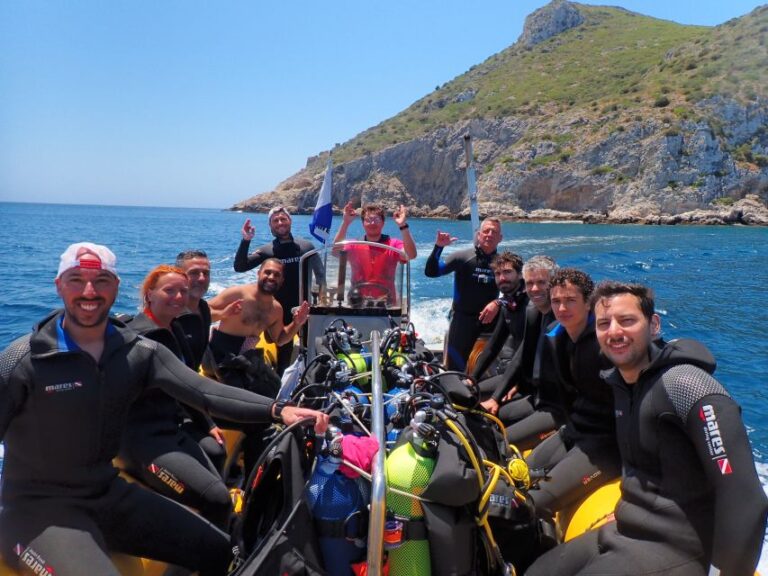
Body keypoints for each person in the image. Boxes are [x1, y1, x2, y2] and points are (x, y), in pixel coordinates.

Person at [0, 242, 328, 576]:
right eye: (76, 279)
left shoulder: (136, 352)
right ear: (58, 286)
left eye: (101, 280)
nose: (89, 291)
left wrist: (278, 410)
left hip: (105, 493)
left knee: (218, 549)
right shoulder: (23, 360)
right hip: (37, 510)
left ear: (116, 286)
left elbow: (202, 390)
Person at [526, 281, 768, 576]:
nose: (614, 332)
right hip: (625, 529)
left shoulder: (687, 386)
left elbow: (745, 496)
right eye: (604, 323)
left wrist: (730, 571)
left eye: (627, 320)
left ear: (653, 325)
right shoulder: (620, 383)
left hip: (677, 548)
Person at [119, 265, 232, 529]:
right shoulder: (138, 338)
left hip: (170, 425)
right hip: (141, 440)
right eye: (169, 291)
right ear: (149, 295)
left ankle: (212, 527)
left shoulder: (174, 328)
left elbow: (186, 384)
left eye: (182, 291)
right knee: (218, 500)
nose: (179, 297)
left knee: (215, 451)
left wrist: (208, 424)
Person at [524, 268, 621, 521]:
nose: (562, 307)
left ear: (589, 303)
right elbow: (564, 397)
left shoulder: (607, 347)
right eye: (556, 301)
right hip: (574, 432)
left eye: (570, 300)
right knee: (519, 477)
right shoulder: (557, 336)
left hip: (605, 446)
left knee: (533, 502)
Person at [207, 258, 310, 472]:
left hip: (246, 356)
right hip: (221, 354)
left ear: (282, 280)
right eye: (268, 272)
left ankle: (261, 452)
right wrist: (223, 314)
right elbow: (204, 311)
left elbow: (280, 338)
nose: (271, 277)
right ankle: (246, 453)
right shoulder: (238, 294)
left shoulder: (276, 309)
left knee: (272, 388)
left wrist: (297, 323)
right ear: (259, 273)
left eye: (276, 275)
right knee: (247, 404)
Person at [234, 206, 324, 374]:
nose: (280, 222)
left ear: (290, 221)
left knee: (311, 351)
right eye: (275, 220)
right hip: (278, 312)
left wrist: (320, 298)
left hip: (304, 308)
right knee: (283, 355)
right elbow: (240, 267)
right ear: (270, 226)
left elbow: (321, 275)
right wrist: (246, 240)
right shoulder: (267, 251)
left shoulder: (306, 246)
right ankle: (281, 392)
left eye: (283, 219)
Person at [424, 217, 502, 371]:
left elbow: (517, 291)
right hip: (462, 321)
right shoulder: (463, 257)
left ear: (500, 238)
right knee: (455, 370)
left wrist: (498, 303)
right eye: (486, 231)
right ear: (479, 235)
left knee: (488, 369)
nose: (489, 234)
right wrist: (438, 247)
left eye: (494, 232)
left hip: (490, 321)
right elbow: (431, 272)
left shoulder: (504, 263)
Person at [471, 251, 528, 401]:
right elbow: (493, 346)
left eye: (508, 272)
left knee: (475, 398)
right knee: (468, 391)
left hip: (530, 379)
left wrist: (496, 397)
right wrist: (471, 378)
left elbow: (529, 351)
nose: (502, 278)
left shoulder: (531, 305)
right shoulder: (508, 304)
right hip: (515, 374)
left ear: (521, 274)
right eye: (497, 274)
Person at [333, 202, 416, 304]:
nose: (372, 223)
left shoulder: (393, 245)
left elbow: (411, 255)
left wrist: (403, 225)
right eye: (368, 220)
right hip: (357, 304)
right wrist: (345, 223)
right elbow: (335, 251)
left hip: (387, 305)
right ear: (363, 224)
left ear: (383, 223)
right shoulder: (354, 245)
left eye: (376, 220)